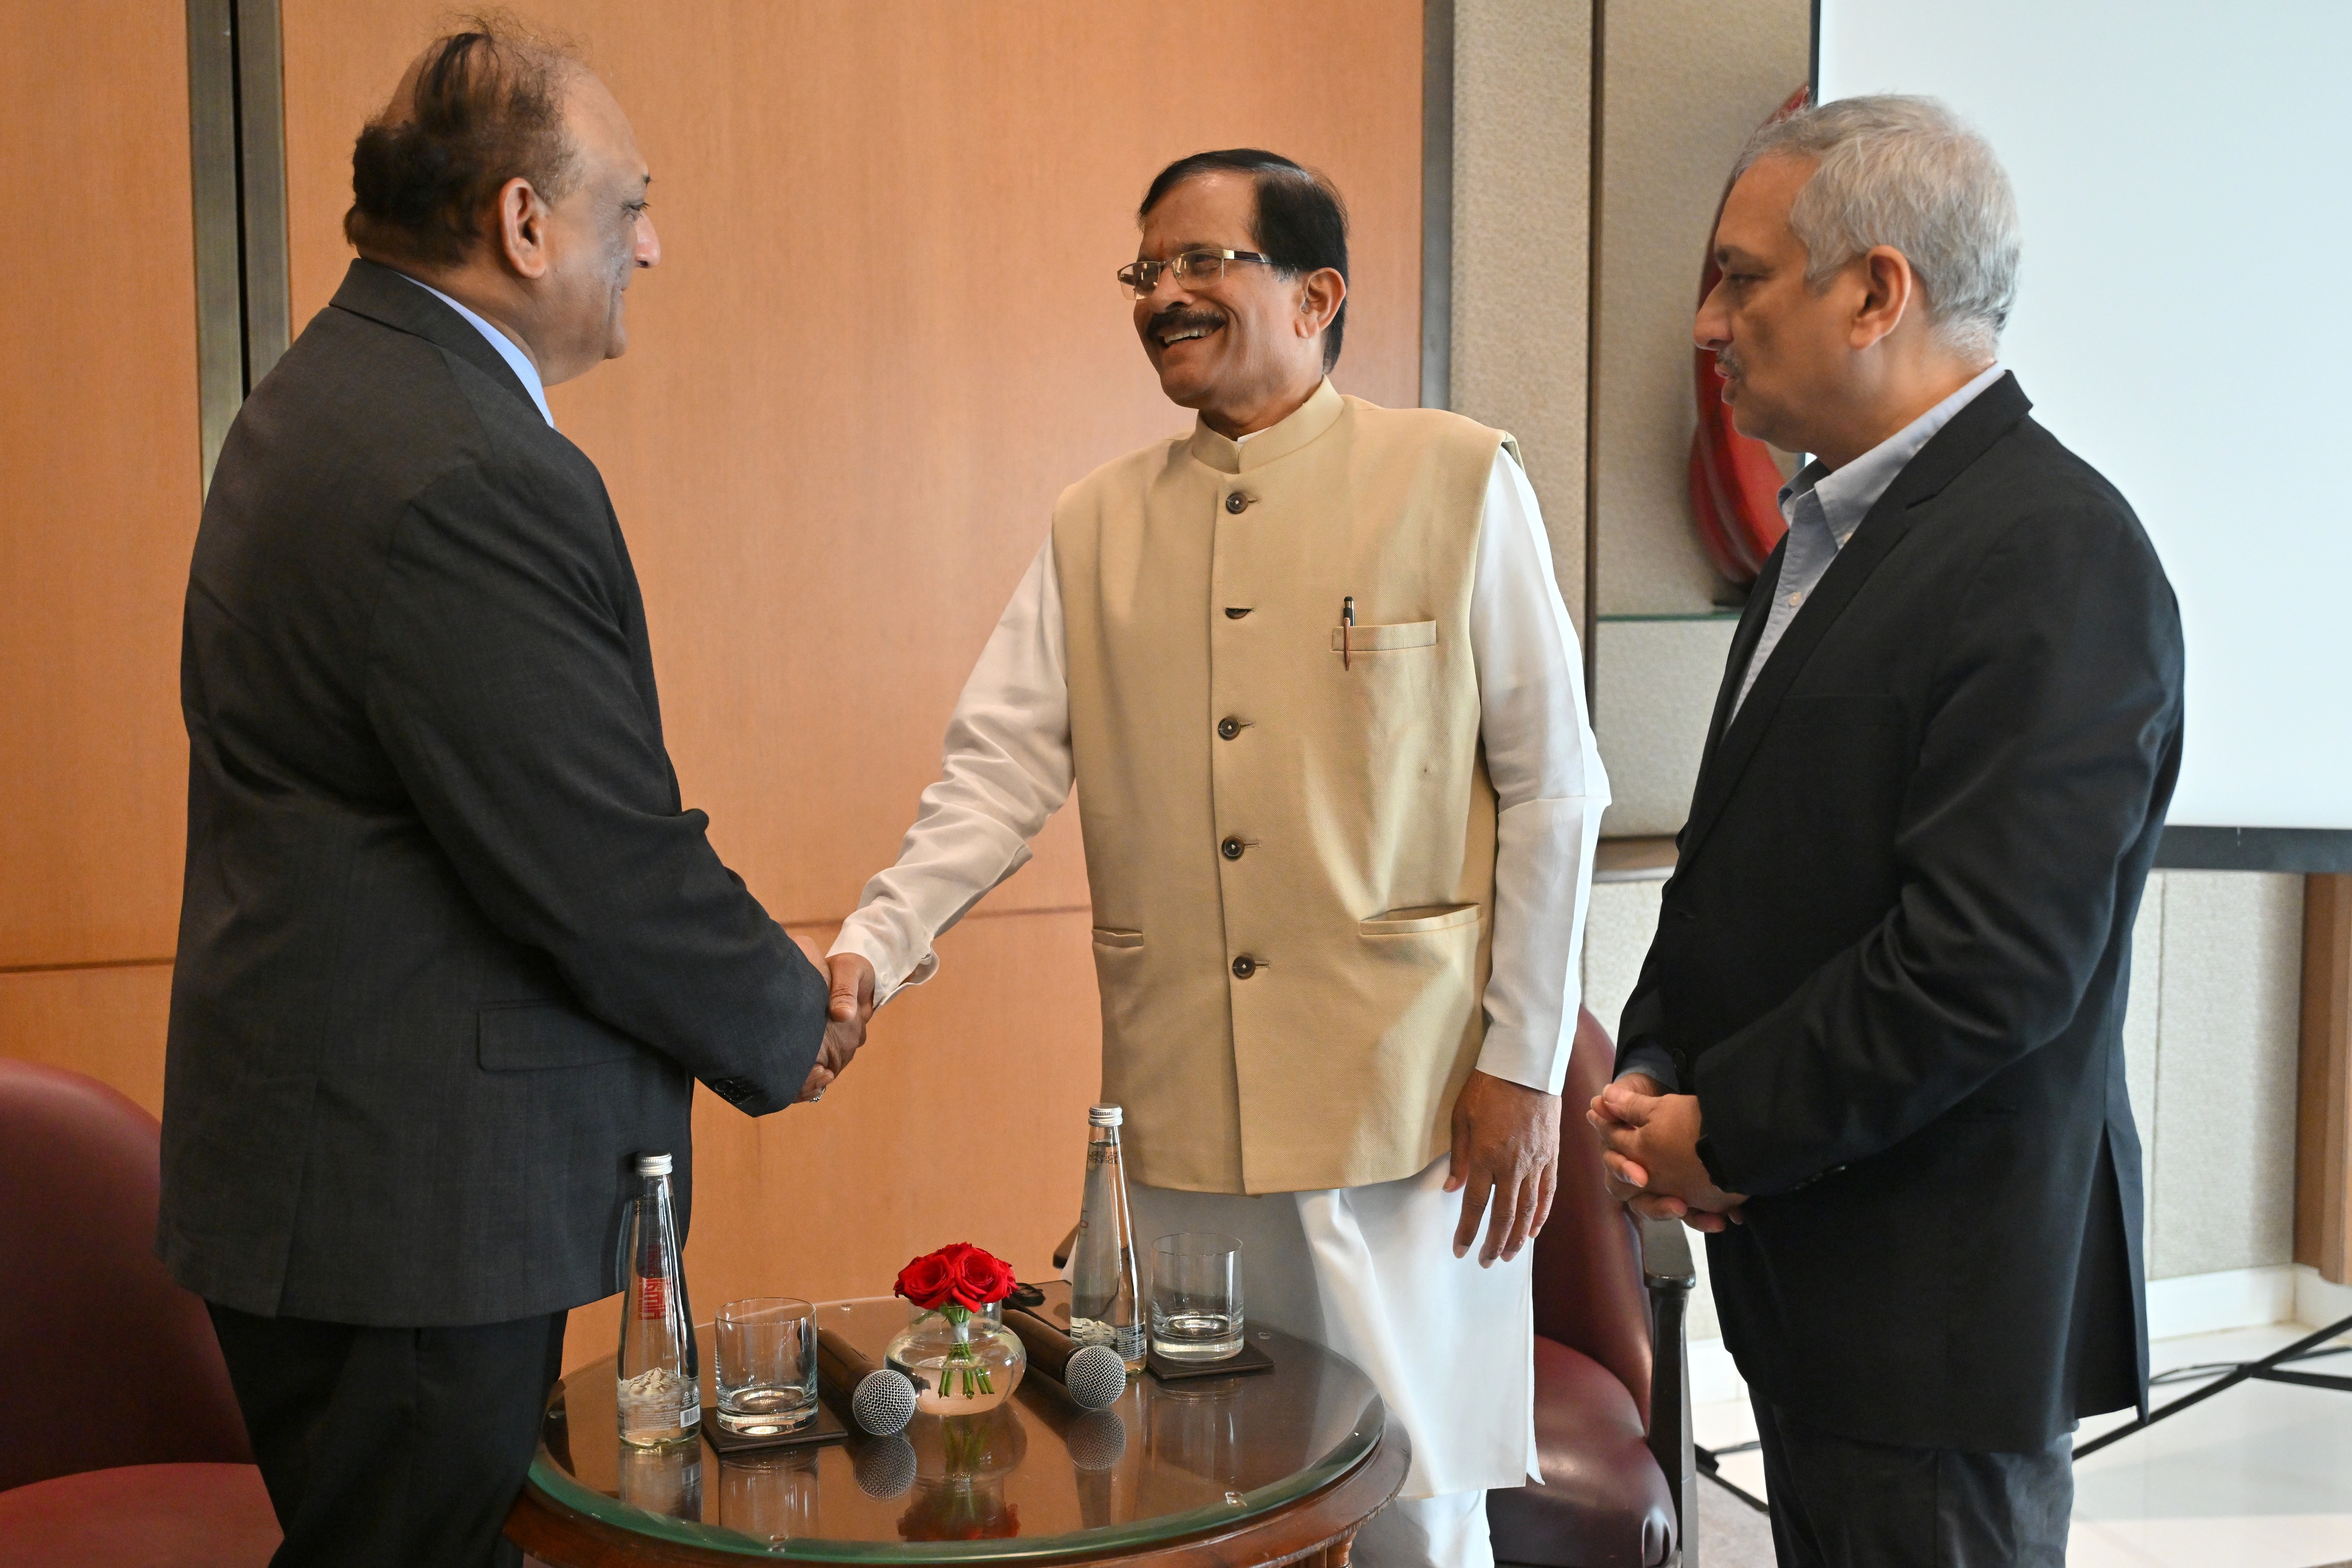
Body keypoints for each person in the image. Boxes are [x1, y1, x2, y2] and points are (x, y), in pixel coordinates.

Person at [824, 149, 1608, 1568]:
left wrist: (1523, 1064)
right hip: (1180, 1104)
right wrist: (876, 942)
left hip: (1406, 1107)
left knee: (1411, 1503)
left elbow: (1558, 787)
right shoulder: (1094, 522)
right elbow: (996, 773)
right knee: (1197, 1491)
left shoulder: (1456, 478)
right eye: (1145, 271)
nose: (1163, 295)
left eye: (1203, 262)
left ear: (1318, 296)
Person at [160, 27, 866, 1568]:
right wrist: (785, 1016)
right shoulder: (463, 464)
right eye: (633, 207)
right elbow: (593, 856)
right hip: (406, 1205)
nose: (651, 246)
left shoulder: (337, 392)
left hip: (350, 1176)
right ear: (523, 222)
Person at [1588, 97, 2182, 1567]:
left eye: (1741, 278)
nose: (1709, 325)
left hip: (1938, 1313)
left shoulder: (2055, 552)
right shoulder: (1828, 530)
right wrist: (1658, 1059)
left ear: (1875, 291)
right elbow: (1753, 863)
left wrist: (1728, 1127)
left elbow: (1986, 962)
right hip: (1820, 1276)